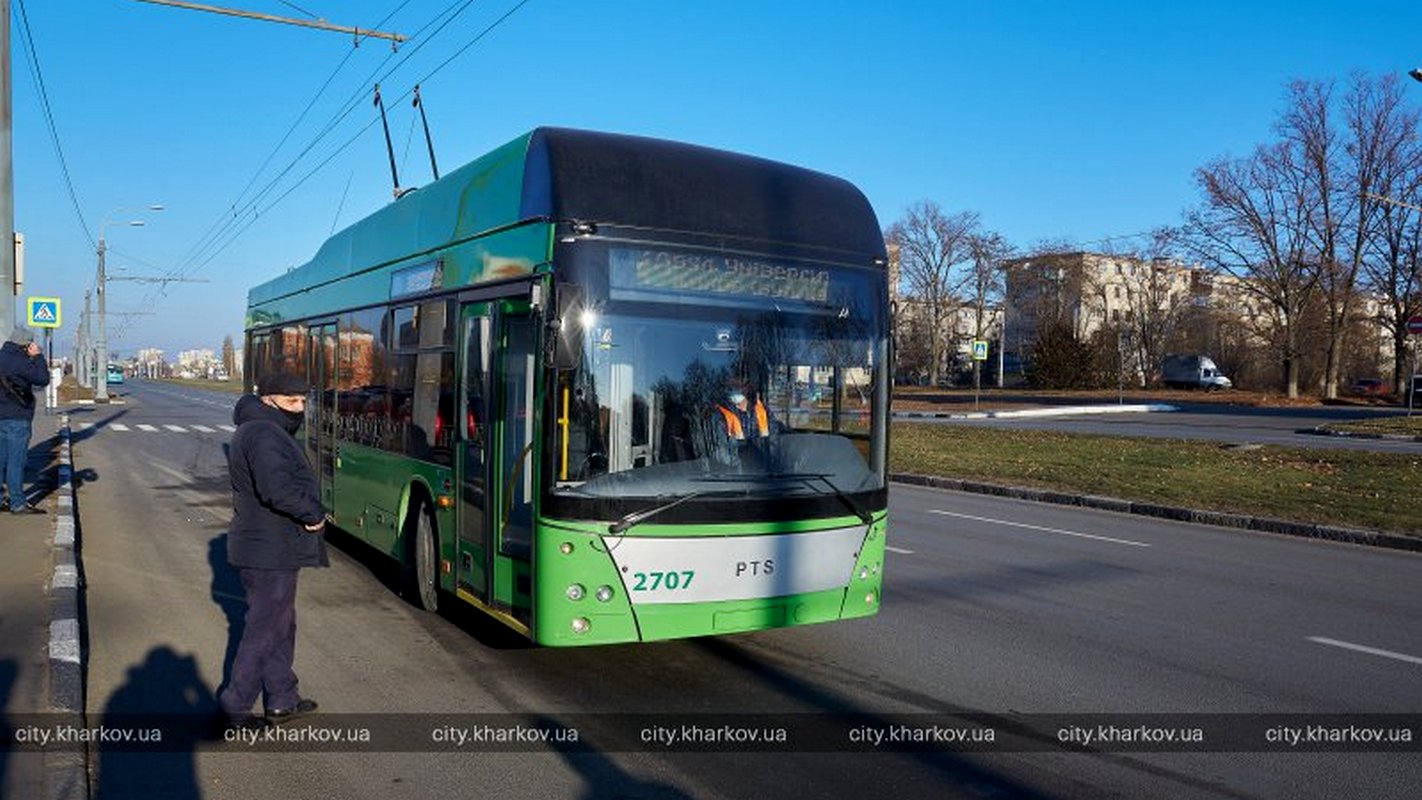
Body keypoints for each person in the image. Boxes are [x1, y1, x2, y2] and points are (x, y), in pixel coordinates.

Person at [218, 372, 326, 729]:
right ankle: (235, 708)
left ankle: (282, 697)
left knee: (281, 624)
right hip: (267, 550)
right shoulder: (263, 433)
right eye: (291, 402)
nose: (298, 409)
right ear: (268, 399)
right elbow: (275, 488)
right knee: (264, 630)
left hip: (270, 547)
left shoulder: (262, 428)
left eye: (302, 402)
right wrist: (313, 514)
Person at [0, 326, 50, 514]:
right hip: (17, 417)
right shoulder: (20, 361)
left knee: (0, 459)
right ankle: (18, 503)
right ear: (25, 344)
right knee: (16, 461)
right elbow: (42, 379)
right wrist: (37, 357)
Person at [715, 376, 777, 444]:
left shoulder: (763, 410)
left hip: (762, 453)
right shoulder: (721, 414)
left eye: (737, 386)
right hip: (734, 453)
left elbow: (774, 434)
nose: (733, 390)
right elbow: (721, 444)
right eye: (730, 388)